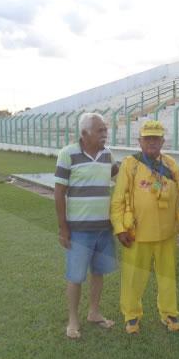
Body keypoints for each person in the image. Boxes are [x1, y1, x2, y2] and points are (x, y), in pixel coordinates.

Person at [110, 120, 179, 334]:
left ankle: (169, 313)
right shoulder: (130, 165)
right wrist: (120, 228)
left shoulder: (171, 164)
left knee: (167, 276)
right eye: (148, 138)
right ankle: (131, 315)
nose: (152, 142)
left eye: (156, 138)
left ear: (163, 140)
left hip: (166, 233)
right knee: (133, 278)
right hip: (137, 234)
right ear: (140, 141)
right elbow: (118, 199)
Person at [54, 112, 117, 339]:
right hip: (79, 230)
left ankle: (94, 312)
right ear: (84, 133)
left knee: (98, 272)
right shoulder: (67, 154)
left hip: (104, 228)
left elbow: (120, 177)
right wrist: (63, 228)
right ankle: (73, 320)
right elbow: (59, 192)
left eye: (104, 129)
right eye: (99, 130)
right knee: (75, 276)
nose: (104, 133)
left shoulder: (108, 155)